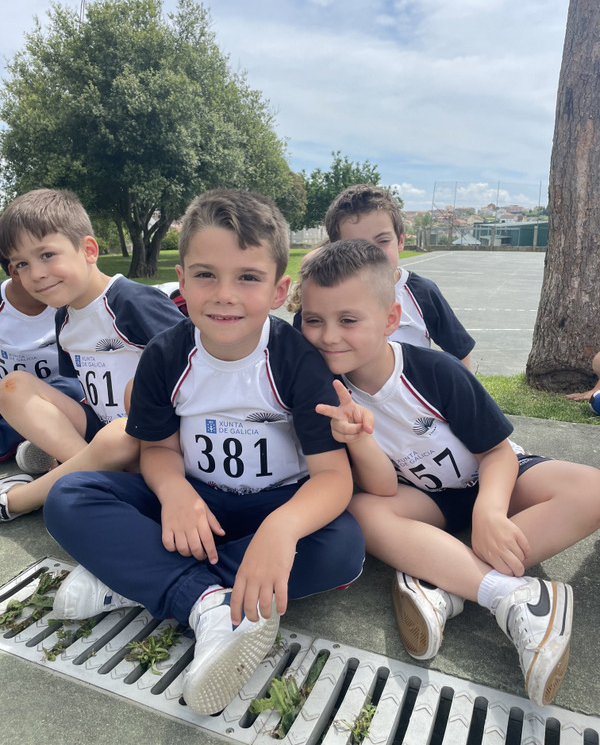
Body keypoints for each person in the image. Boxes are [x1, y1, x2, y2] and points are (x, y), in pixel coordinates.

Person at [43, 188, 365, 716]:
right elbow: (157, 449)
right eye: (206, 275)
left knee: (343, 545)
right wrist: (174, 493)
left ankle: (136, 578)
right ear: (182, 279)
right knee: (70, 495)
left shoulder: (298, 362)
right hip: (194, 504)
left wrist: (281, 529)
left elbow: (333, 477)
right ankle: (208, 603)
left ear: (280, 290)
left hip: (275, 503)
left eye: (248, 277)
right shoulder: (165, 355)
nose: (224, 295)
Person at [299, 238, 600, 707]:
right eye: (313, 320)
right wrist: (357, 439)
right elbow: (382, 488)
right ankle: (515, 595)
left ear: (391, 319)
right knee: (358, 511)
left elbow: (496, 453)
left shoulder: (434, 371)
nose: (328, 336)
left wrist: (490, 511)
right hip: (428, 498)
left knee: (592, 491)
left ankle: (441, 583)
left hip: (498, 477)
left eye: (348, 320)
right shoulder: (325, 394)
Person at [0, 188, 184, 521]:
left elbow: (195, 364)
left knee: (119, 435)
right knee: (12, 387)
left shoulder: (133, 301)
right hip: (102, 433)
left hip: (155, 440)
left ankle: (20, 499)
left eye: (47, 255)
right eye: (22, 264)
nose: (36, 274)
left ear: (88, 250)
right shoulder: (63, 317)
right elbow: (86, 391)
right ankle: (88, 471)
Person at [291, 184, 474, 368]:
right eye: (355, 245)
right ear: (334, 248)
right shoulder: (321, 298)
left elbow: (460, 352)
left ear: (400, 241)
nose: (372, 253)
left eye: (383, 241)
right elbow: (299, 360)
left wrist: (460, 385)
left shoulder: (423, 292)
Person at [0, 255, 83, 464]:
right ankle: (35, 439)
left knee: (77, 388)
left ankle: (34, 439)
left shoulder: (73, 304)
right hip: (6, 401)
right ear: (15, 271)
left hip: (61, 397)